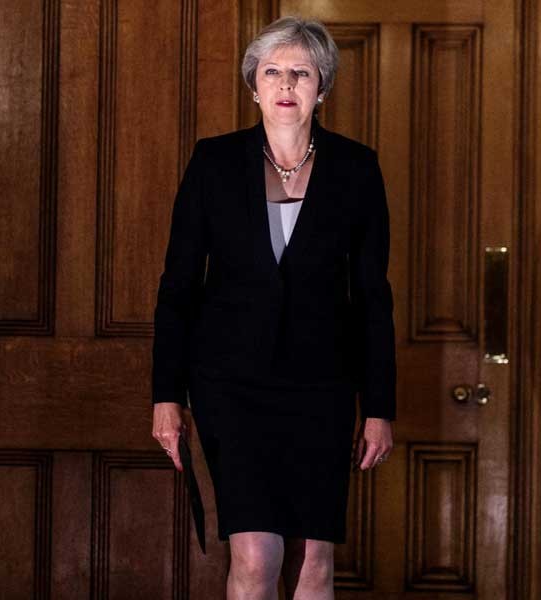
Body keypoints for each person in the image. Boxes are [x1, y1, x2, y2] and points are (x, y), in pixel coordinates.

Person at [151, 15, 396, 600]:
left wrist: (380, 406)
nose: (286, 85)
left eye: (301, 73)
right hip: (230, 384)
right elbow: (178, 287)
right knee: (257, 555)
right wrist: (166, 395)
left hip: (322, 387)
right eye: (273, 72)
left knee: (314, 561)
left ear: (322, 87)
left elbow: (372, 297)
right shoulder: (212, 163)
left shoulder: (358, 169)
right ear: (254, 86)